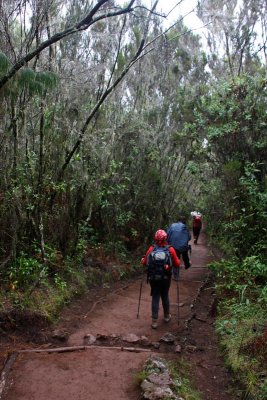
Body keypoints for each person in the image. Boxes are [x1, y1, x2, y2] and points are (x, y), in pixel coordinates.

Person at [141, 229, 180, 329]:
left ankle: (154, 321)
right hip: (166, 278)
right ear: (165, 238)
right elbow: (177, 264)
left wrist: (142, 260)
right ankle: (166, 317)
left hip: (153, 278)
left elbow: (145, 262)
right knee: (165, 295)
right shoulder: (170, 249)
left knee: (155, 296)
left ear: (155, 238)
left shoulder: (151, 249)